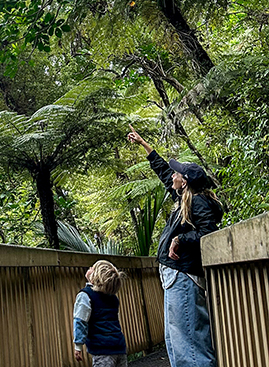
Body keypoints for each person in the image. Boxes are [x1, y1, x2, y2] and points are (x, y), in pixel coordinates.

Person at [127, 124, 223, 367]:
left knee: (189, 342)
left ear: (185, 181)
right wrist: (143, 144)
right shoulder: (184, 198)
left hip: (183, 275)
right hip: (175, 275)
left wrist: (180, 239)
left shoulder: (197, 202)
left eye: (177, 173)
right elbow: (162, 170)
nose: (172, 175)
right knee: (177, 338)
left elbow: (207, 233)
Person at [72, 259, 128, 365]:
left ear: (95, 278)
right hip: (120, 347)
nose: (89, 268)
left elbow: (80, 320)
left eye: (92, 268)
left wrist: (78, 345)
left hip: (102, 349)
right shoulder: (113, 298)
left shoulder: (85, 295)